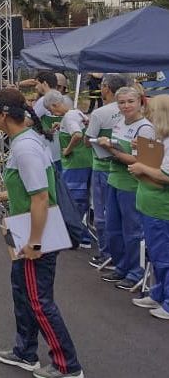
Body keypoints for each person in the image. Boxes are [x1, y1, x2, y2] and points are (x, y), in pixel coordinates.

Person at [0, 89, 83, 378]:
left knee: (39, 300)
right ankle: (25, 352)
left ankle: (67, 365)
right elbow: (33, 189)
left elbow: (40, 197)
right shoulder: (25, 141)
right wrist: (4, 195)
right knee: (23, 293)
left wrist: (35, 242)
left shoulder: (25, 147)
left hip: (35, 232)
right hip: (24, 227)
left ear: (3, 115)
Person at [95, 86, 154, 290]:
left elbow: (143, 162)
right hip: (114, 180)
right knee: (113, 229)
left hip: (132, 185)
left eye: (130, 101)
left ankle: (135, 272)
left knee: (133, 231)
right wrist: (108, 148)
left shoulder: (145, 128)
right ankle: (121, 267)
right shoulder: (120, 122)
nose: (126, 106)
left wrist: (110, 148)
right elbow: (119, 150)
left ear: (140, 102)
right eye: (122, 102)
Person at [128, 94, 169, 320]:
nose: (147, 116)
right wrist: (140, 150)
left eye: (151, 111)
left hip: (161, 208)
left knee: (164, 255)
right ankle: (158, 293)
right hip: (150, 204)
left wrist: (142, 167)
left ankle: (167, 300)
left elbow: (165, 174)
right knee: (156, 254)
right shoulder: (162, 138)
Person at [84, 74, 129, 269]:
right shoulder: (129, 113)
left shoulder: (100, 113)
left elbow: (87, 140)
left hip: (103, 166)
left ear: (106, 88)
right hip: (126, 168)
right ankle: (123, 258)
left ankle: (106, 253)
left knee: (102, 213)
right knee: (123, 216)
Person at [45, 91, 93, 248]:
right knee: (80, 200)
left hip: (75, 164)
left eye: (51, 110)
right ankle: (81, 235)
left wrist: (67, 150)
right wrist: (62, 126)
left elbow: (77, 134)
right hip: (84, 162)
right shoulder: (76, 112)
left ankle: (77, 236)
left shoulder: (69, 116)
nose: (52, 114)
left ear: (55, 105)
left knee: (73, 201)